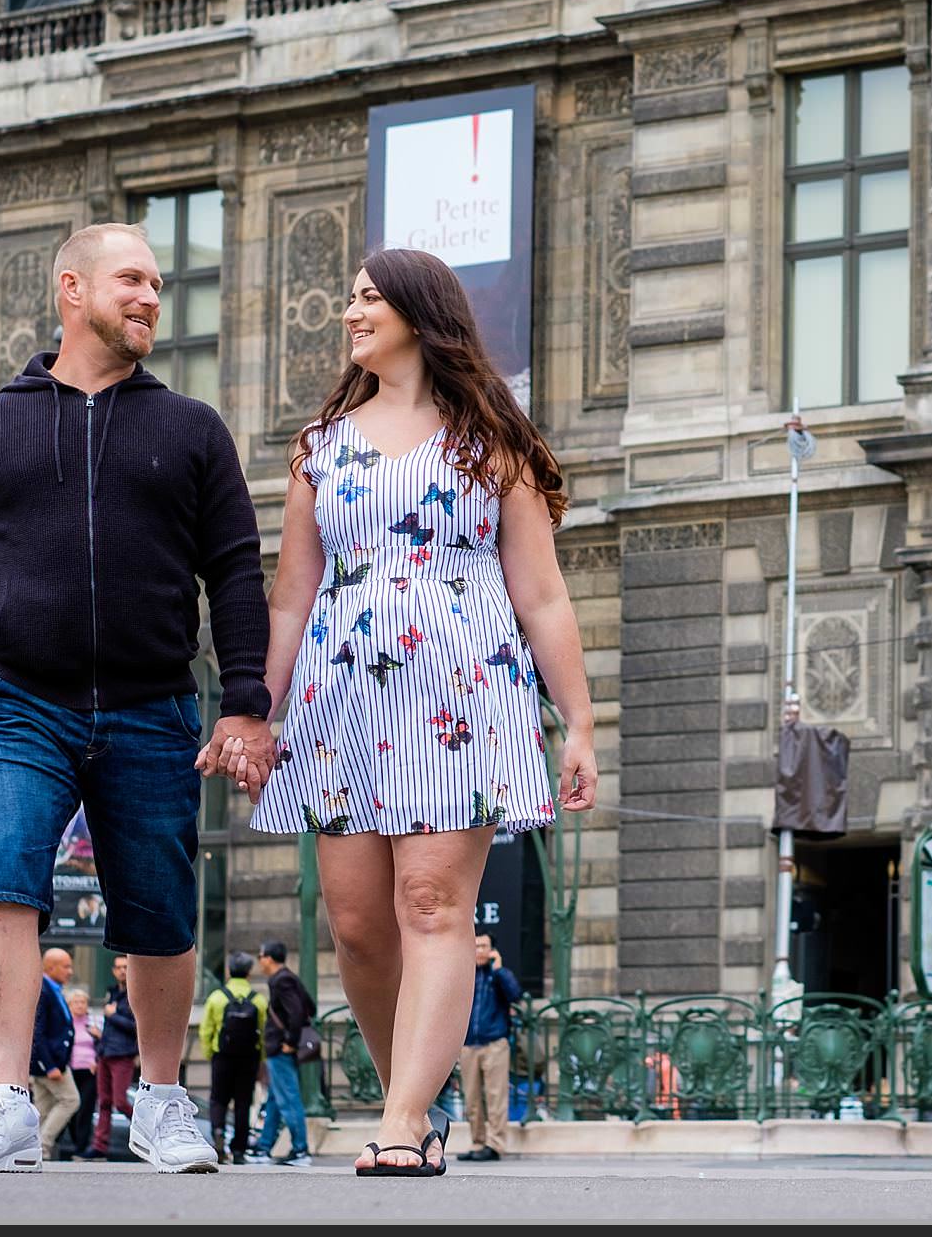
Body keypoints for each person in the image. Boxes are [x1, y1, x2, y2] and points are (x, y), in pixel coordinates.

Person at [0, 222, 266, 1174]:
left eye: (160, 284)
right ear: (71, 289)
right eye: (132, 279)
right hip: (18, 699)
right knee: (5, 879)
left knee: (161, 908)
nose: (152, 298)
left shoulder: (193, 430)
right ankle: (7, 1102)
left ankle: (164, 1104)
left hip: (153, 702)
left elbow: (238, 573)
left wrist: (245, 698)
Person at [232, 247, 596, 1178]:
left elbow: (544, 597)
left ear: (418, 315)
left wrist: (581, 725)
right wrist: (254, 714)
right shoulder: (323, 447)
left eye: (367, 300)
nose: (351, 315)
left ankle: (397, 1123)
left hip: (459, 690)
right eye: (349, 299)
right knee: (358, 924)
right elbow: (290, 598)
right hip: (341, 695)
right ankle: (416, 1103)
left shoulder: (490, 442)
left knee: (431, 905)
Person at [457, 931, 522, 1164]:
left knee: (496, 1097)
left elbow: (515, 995)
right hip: (468, 1045)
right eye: (475, 946)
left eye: (483, 946)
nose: (479, 950)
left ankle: (495, 1145)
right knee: (472, 1099)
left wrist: (499, 970)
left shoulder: (499, 976)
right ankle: (477, 1143)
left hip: (495, 1042)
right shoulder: (465, 975)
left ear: (493, 950)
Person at [248, 940, 315, 1166]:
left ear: (268, 957)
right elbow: (309, 1006)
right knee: (276, 1099)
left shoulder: (282, 980)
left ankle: (300, 1150)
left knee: (289, 1098)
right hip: (279, 1049)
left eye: (260, 956)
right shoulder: (286, 978)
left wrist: (290, 1041)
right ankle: (264, 1148)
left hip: (281, 1049)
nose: (259, 961)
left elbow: (297, 1012)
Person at [200, 951, 269, 1165]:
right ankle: (239, 1149)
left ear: (229, 971)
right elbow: (264, 1032)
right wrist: (261, 1057)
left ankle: (218, 1132)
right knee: (243, 1102)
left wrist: (210, 1053)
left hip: (222, 1056)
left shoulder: (217, 997)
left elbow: (206, 1030)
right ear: (249, 972)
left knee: (218, 1099)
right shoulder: (258, 1000)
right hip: (248, 1057)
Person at [30, 948, 82, 1162]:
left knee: (42, 1108)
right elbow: (37, 1031)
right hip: (50, 1064)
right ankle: (42, 1145)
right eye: (66, 966)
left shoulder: (55, 989)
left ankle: (29, 1145)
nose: (70, 971)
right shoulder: (43, 990)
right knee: (71, 1100)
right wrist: (49, 1065)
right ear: (50, 967)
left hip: (51, 1063)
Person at [91, 955, 138, 1160]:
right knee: (104, 1102)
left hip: (123, 1055)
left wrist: (113, 1015)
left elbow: (137, 1027)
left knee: (121, 1102)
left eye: (126, 967)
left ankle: (148, 1133)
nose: (121, 971)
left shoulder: (135, 994)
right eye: (118, 967)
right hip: (105, 1053)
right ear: (113, 971)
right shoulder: (112, 994)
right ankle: (99, 1147)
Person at [65, 986, 98, 1159]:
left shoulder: (94, 1022)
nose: (80, 1005)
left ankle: (81, 1148)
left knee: (86, 1108)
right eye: (76, 1002)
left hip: (90, 1071)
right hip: (69, 1071)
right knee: (72, 1108)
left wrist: (98, 1061)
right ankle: (74, 1143)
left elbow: (104, 1045)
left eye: (83, 1002)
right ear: (69, 1005)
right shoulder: (65, 1022)